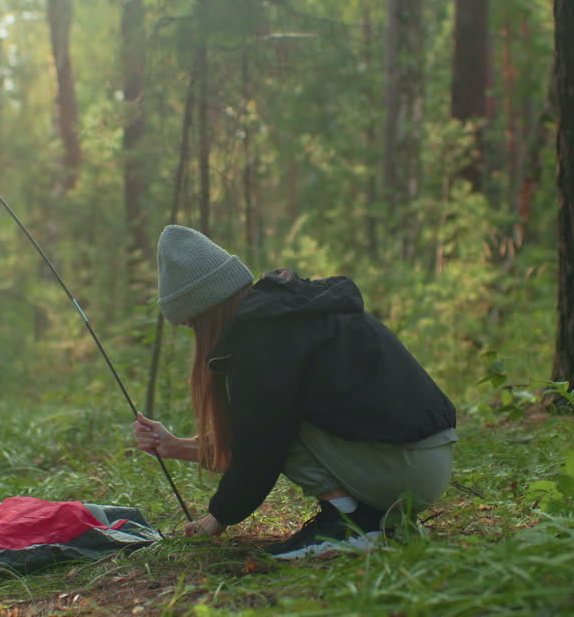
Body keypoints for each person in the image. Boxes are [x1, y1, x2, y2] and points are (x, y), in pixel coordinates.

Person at [132, 225, 457, 559]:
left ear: (206, 313)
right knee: (279, 414)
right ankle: (371, 521)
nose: (194, 335)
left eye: (191, 325)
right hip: (425, 462)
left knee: (280, 420)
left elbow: (262, 448)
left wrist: (217, 518)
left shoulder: (261, 339)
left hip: (402, 472)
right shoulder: (290, 313)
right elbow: (252, 438)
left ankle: (350, 522)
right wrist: (178, 447)